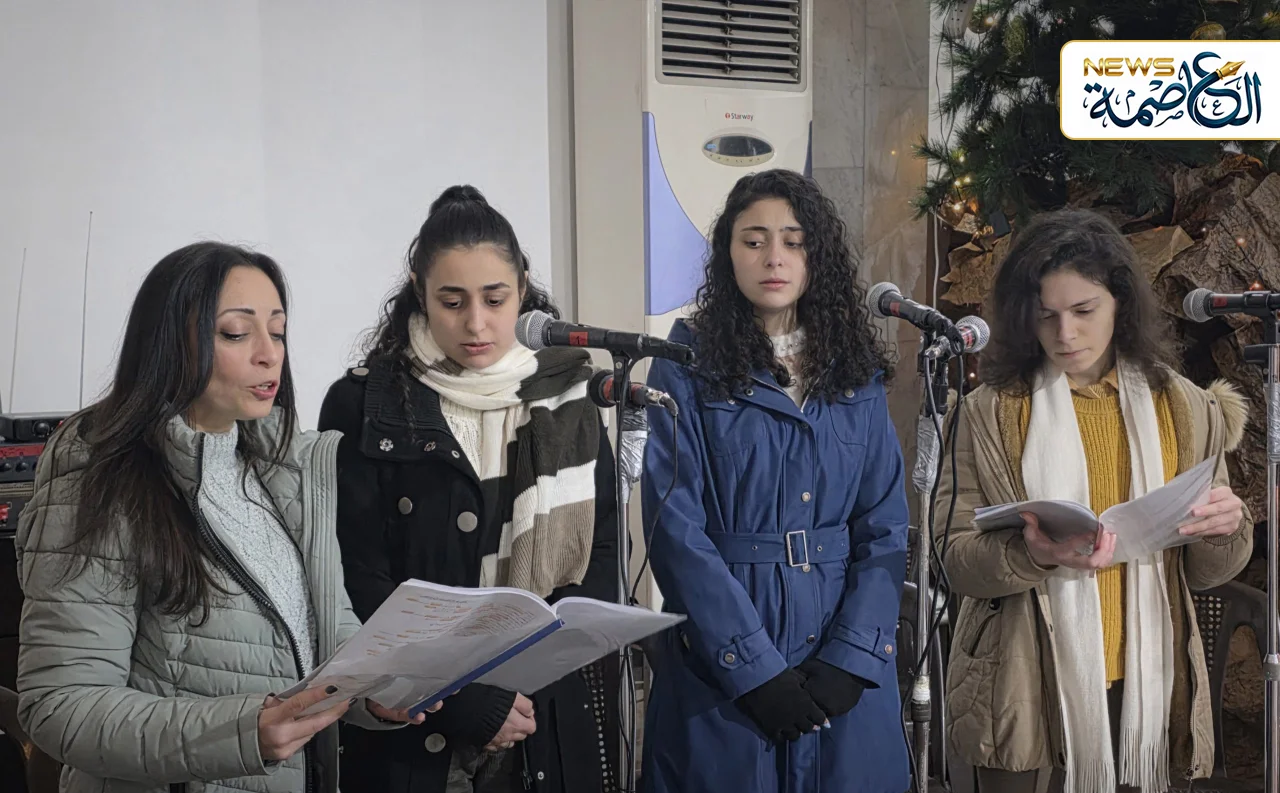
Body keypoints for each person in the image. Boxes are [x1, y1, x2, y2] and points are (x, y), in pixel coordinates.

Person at [15, 242, 425, 793]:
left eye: (277, 332)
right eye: (236, 333)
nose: (269, 354)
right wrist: (239, 733)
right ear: (168, 343)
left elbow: (320, 636)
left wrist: (373, 693)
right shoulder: (100, 481)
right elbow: (61, 706)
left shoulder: (285, 472)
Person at [937, 209, 1254, 793]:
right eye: (1046, 315)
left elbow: (1209, 572)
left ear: (1120, 305)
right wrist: (1035, 555)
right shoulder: (986, 413)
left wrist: (1226, 527)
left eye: (1084, 311)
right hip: (1020, 686)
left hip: (1149, 683)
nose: (1065, 334)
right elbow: (952, 558)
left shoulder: (1186, 408)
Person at [319, 185, 620, 793]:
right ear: (419, 290)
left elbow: (600, 555)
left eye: (495, 299)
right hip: (416, 729)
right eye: (451, 301)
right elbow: (356, 578)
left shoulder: (571, 396)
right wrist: (465, 698)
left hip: (546, 719)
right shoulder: (365, 401)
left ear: (524, 288)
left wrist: (521, 683)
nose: (476, 323)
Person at [638, 169, 911, 793]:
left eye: (794, 241)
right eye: (754, 240)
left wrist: (853, 659)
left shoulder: (854, 370)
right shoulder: (685, 367)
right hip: (722, 666)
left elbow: (884, 526)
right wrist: (751, 667)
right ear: (727, 253)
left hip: (841, 659)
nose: (774, 258)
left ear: (817, 255)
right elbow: (676, 532)